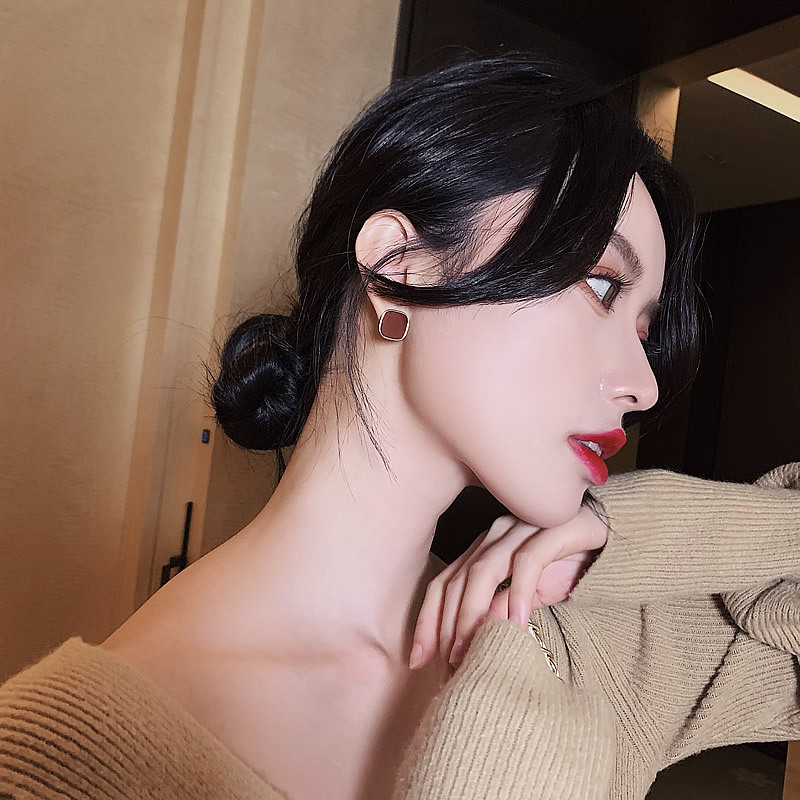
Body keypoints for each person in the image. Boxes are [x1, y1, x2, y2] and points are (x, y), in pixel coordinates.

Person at [1, 52, 799, 800]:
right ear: (398, 266)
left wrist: (640, 531)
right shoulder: (57, 761)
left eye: (644, 328)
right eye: (600, 284)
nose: (644, 385)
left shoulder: (580, 647)